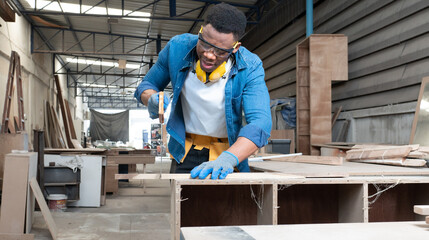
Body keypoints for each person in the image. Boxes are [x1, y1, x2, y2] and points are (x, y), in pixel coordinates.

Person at [134, 3, 271, 179]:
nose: (209, 55)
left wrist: (229, 158)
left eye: (221, 52)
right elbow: (146, 86)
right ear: (200, 32)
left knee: (229, 206)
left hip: (228, 153)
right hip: (184, 150)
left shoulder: (250, 66)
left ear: (235, 47)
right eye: (205, 44)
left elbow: (260, 123)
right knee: (182, 205)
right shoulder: (177, 48)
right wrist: (151, 98)